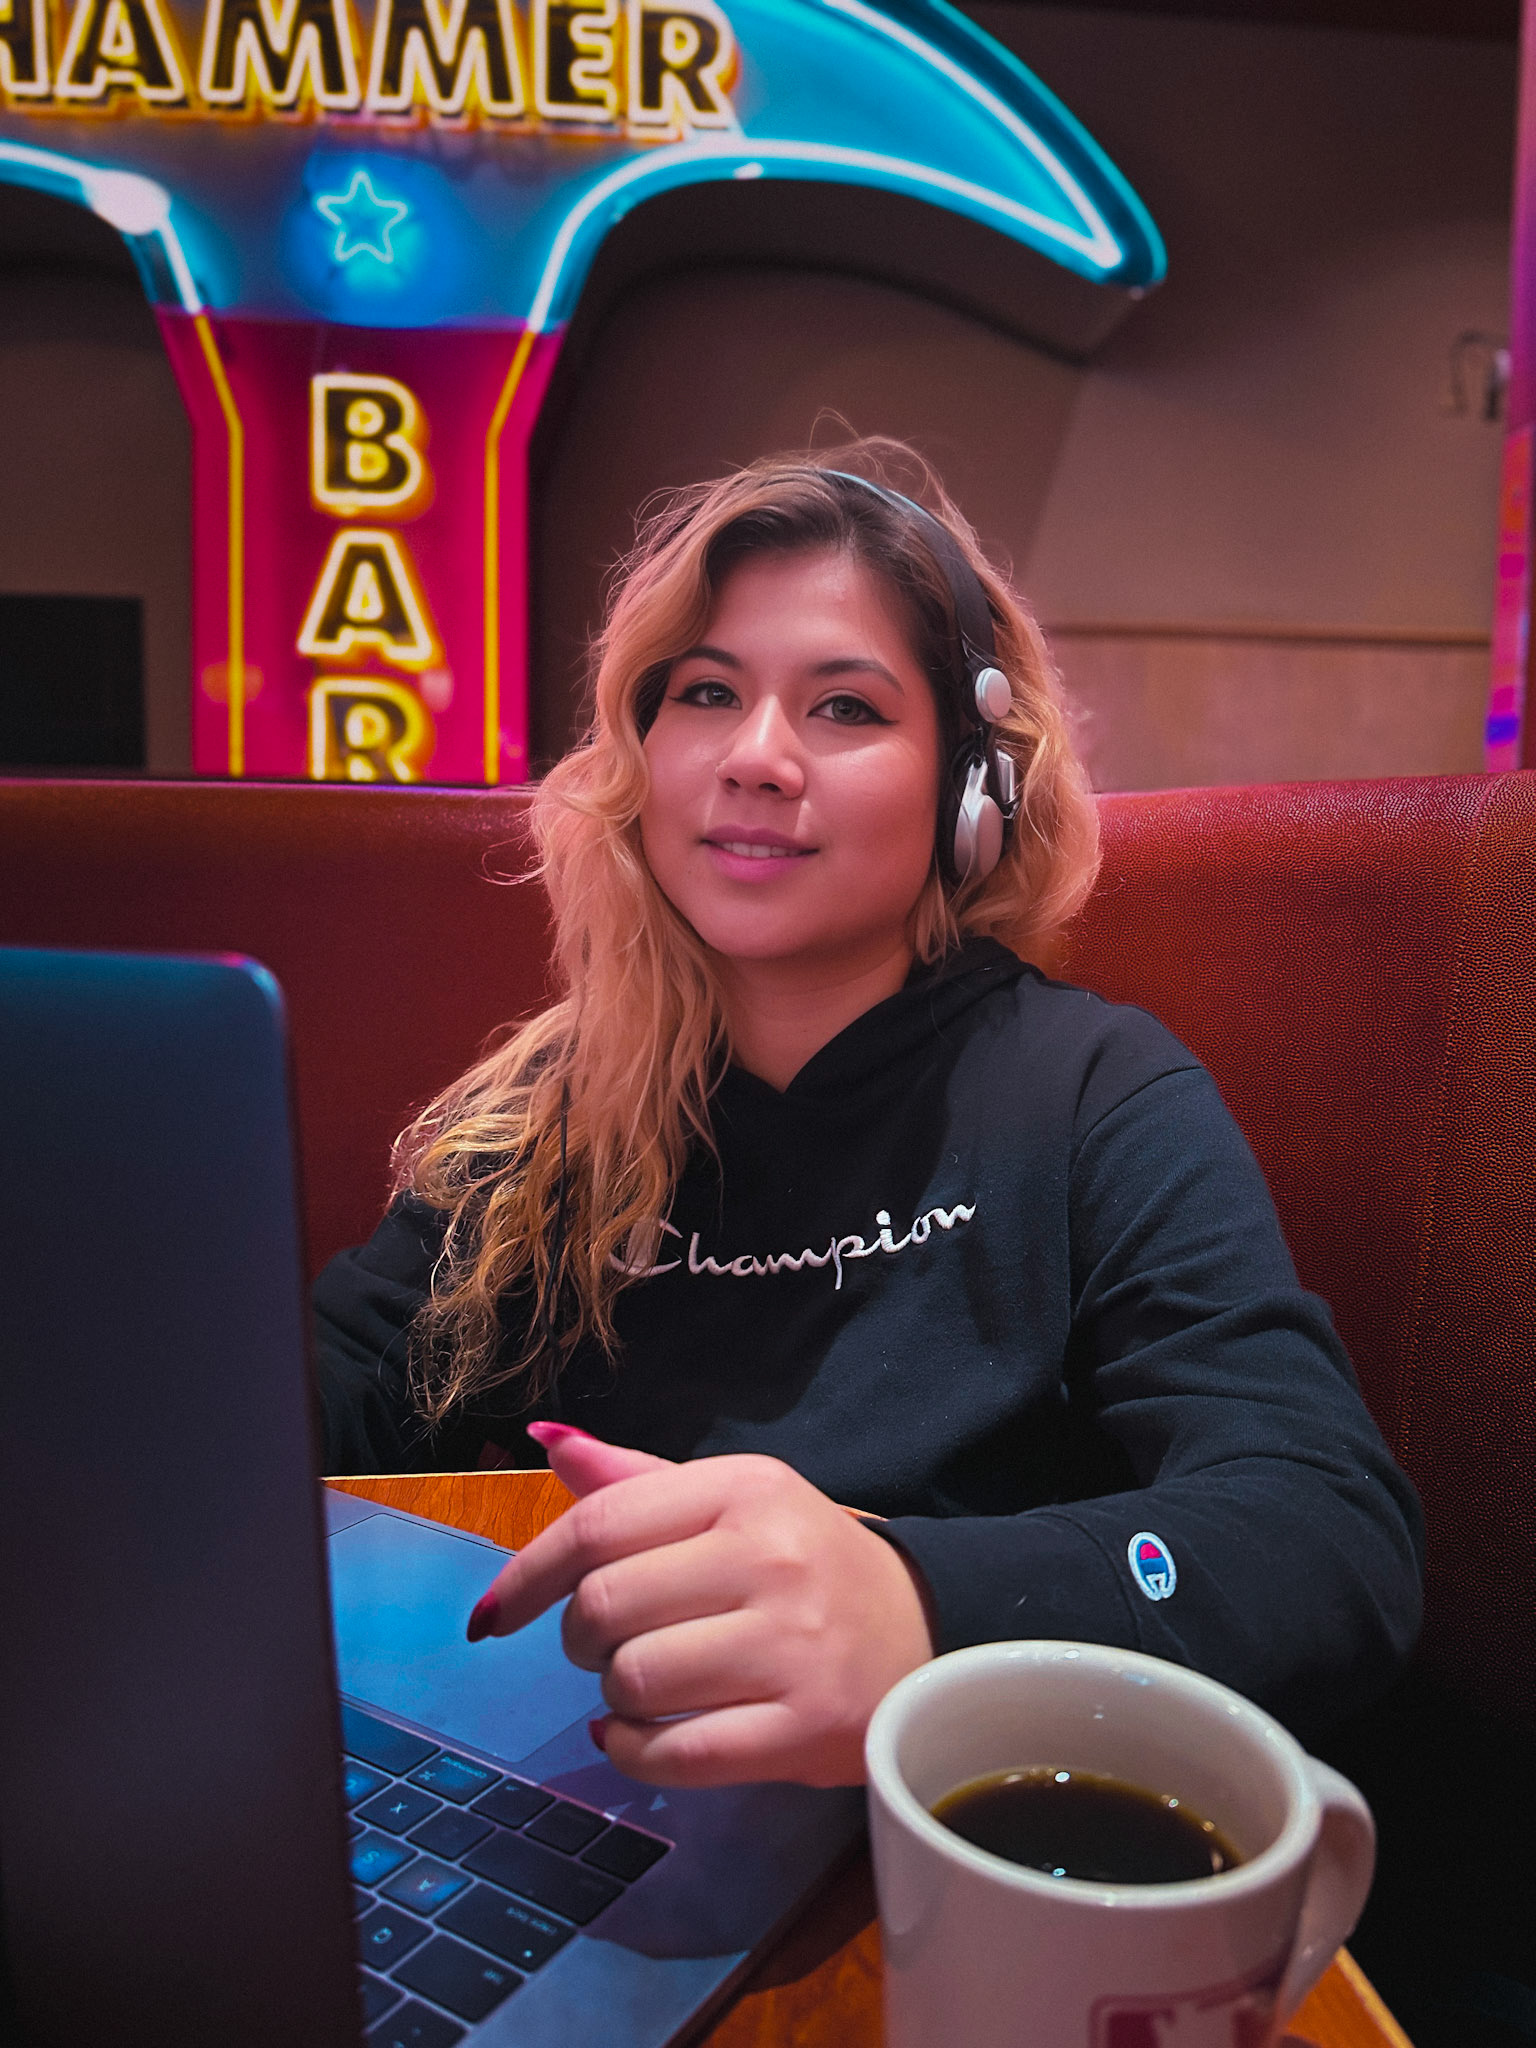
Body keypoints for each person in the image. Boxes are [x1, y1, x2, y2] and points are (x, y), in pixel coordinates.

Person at [315, 441, 1423, 1792]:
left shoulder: (1093, 1090)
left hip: (941, 1821)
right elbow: (323, 1394)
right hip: (578, 1792)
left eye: (845, 707)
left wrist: (922, 1606)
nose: (757, 758)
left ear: (972, 792)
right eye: (707, 692)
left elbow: (1328, 1536)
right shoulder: (550, 1111)